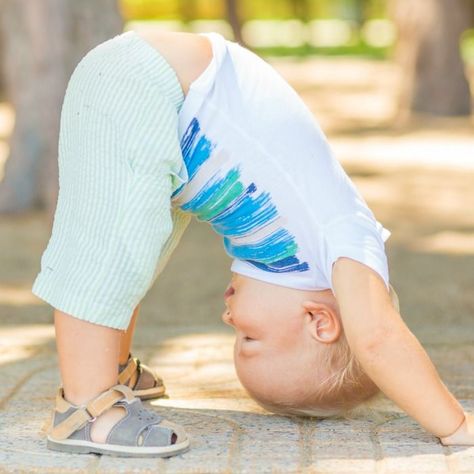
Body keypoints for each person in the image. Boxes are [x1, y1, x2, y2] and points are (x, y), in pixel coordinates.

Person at [31, 28, 473, 457]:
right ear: (320, 322)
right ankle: (85, 405)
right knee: (112, 246)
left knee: (138, 248)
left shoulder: (311, 254)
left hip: (160, 96)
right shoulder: (346, 247)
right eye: (249, 335)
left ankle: (109, 366)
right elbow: (378, 340)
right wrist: (455, 425)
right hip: (150, 85)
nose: (228, 317)